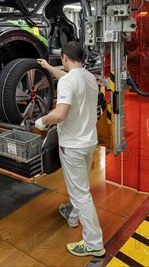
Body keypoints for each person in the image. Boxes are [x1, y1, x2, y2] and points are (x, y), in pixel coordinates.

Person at [35, 41, 104, 257]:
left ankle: (94, 243)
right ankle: (73, 217)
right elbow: (67, 78)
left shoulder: (67, 83)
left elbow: (60, 114)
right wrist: (47, 66)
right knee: (80, 186)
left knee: (80, 193)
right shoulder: (89, 77)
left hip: (72, 145)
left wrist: (42, 121)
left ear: (64, 57)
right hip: (89, 141)